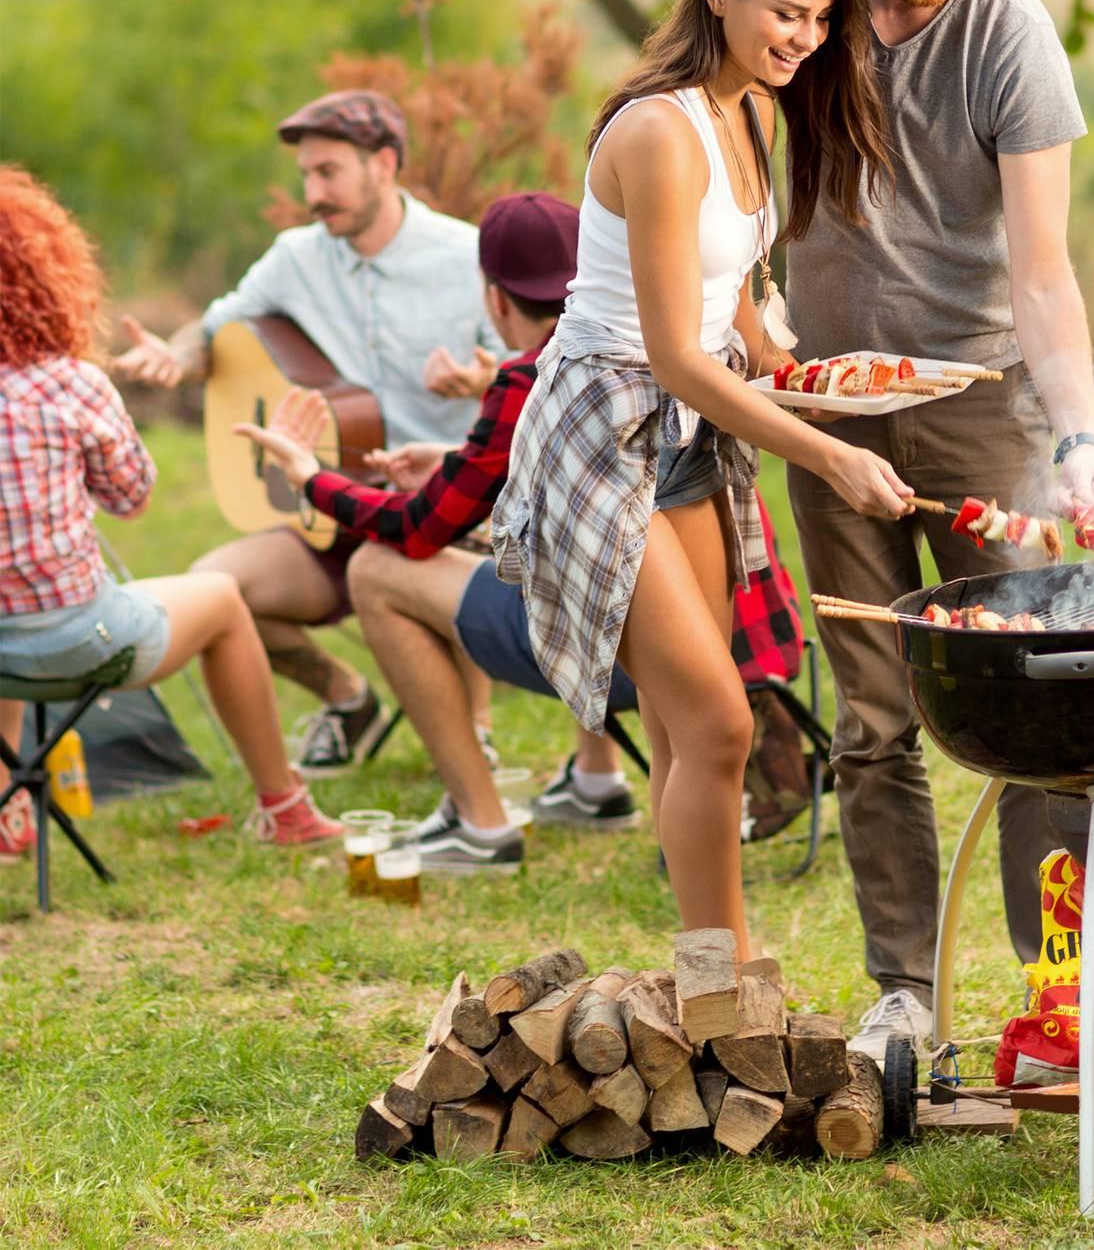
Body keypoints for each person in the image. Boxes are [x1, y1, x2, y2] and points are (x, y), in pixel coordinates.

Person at [491, 0, 912, 962]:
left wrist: (806, 378)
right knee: (723, 724)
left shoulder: (752, 113)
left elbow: (727, 301)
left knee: (697, 728)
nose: (803, 40)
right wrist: (825, 450)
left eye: (819, 21)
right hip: (604, 431)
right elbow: (674, 350)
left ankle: (707, 968)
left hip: (688, 437)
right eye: (785, 13)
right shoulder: (658, 131)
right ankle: (721, 978)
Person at [783, 0, 1094, 1060]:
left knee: (1030, 701)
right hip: (830, 408)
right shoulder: (800, 11)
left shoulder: (1011, 29)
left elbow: (1043, 270)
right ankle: (906, 998)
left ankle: (1061, 989)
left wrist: (1077, 437)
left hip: (985, 403)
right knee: (872, 718)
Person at [234, 191, 640, 875]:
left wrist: (310, 478)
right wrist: (450, 464)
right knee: (587, 537)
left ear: (496, 300)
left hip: (610, 658)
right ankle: (596, 783)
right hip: (700, 643)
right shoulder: (641, 347)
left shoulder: (524, 379)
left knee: (377, 571)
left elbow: (417, 531)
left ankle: (480, 826)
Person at [114, 91, 507, 778]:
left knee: (415, 572)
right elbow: (213, 330)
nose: (313, 192)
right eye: (306, 175)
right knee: (214, 589)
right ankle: (346, 697)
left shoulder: (466, 255)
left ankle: (473, 737)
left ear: (384, 165)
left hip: (442, 508)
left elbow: (529, 369)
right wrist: (176, 357)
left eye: (329, 172)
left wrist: (485, 379)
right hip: (333, 504)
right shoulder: (295, 257)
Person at [0, 167, 342, 859]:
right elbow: (133, 498)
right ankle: (284, 806)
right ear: (46, 277)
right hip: (83, 640)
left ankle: (8, 818)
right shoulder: (72, 384)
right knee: (221, 599)